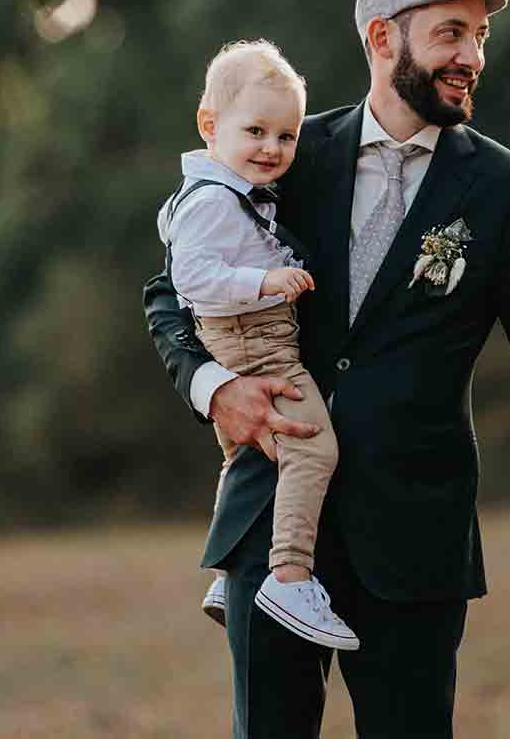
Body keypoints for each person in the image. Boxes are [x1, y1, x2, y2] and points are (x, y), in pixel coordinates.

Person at [143, 0, 510, 739]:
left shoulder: (506, 190)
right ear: (382, 39)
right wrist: (213, 388)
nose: (473, 57)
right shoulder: (284, 151)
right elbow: (172, 287)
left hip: (415, 538)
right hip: (271, 519)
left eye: (480, 37)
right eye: (451, 34)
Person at [155, 38, 356, 651]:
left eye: (286, 136)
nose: (272, 148)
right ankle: (290, 576)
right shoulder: (214, 201)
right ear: (209, 125)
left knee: (243, 457)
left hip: (242, 338)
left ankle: (226, 571)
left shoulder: (226, 189)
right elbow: (188, 278)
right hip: (255, 342)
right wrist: (264, 281)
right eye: (256, 132)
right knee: (313, 448)